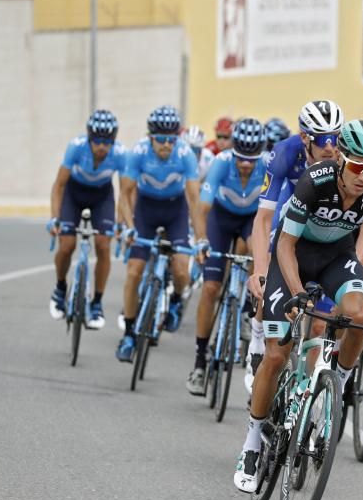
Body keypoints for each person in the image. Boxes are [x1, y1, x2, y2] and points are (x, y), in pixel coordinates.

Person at [234, 120, 363, 492]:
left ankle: (337, 383)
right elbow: (284, 244)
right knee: (277, 355)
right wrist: (296, 293)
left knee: (359, 316)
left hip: (335, 258)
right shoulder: (316, 179)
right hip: (293, 254)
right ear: (342, 159)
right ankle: (251, 441)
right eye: (359, 167)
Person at [244, 100, 344, 392]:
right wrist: (260, 270)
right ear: (304, 138)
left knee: (319, 326)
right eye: (323, 139)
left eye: (336, 138)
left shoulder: (343, 159)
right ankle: (257, 335)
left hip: (323, 225)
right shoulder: (284, 154)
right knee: (271, 265)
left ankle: (308, 395)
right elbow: (262, 220)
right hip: (286, 210)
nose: (331, 147)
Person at [116, 106, 205, 363]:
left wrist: (201, 240)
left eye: (171, 139)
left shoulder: (185, 154)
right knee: (133, 272)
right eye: (161, 139)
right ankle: (130, 333)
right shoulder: (139, 152)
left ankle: (176, 300)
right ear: (150, 136)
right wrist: (129, 226)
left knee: (180, 270)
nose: (166, 145)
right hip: (145, 209)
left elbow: (194, 199)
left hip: (175, 210)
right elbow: (124, 194)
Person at [186, 118, 268, 395]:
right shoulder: (221, 162)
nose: (246, 164)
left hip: (250, 221)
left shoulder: (268, 165)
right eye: (241, 158)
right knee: (210, 288)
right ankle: (199, 360)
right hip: (221, 219)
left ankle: (247, 309)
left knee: (259, 254)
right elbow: (202, 208)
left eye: (251, 159)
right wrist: (200, 241)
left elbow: (273, 214)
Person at [48, 110, 127, 328]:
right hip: (73, 194)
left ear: (113, 141)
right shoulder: (76, 147)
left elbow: (126, 192)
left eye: (107, 141)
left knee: (103, 244)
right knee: (67, 245)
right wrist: (55, 219)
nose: (102, 146)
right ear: (89, 138)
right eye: (97, 141)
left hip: (102, 196)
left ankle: (96, 303)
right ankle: (60, 287)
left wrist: (121, 223)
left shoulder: (120, 154)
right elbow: (59, 186)